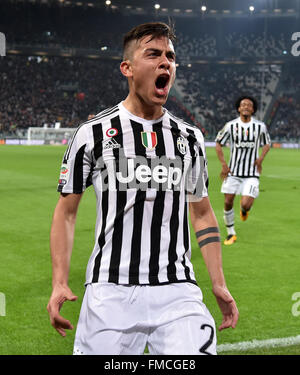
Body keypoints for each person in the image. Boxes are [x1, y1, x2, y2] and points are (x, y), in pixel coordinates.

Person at [47, 22, 238, 355]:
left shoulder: (190, 139)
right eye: (153, 54)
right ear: (128, 68)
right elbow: (66, 212)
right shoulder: (92, 134)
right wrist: (59, 281)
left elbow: (204, 213)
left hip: (178, 289)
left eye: (170, 56)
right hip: (109, 289)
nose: (166, 62)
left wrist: (218, 282)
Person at [215, 96, 271, 245]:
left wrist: (260, 159)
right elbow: (218, 143)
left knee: (245, 204)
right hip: (233, 172)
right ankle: (231, 233)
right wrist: (224, 165)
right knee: (227, 202)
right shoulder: (231, 126)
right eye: (243, 104)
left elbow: (267, 144)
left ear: (253, 109)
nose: (246, 106)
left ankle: (244, 210)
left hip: (251, 173)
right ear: (239, 108)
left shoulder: (260, 127)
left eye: (249, 105)